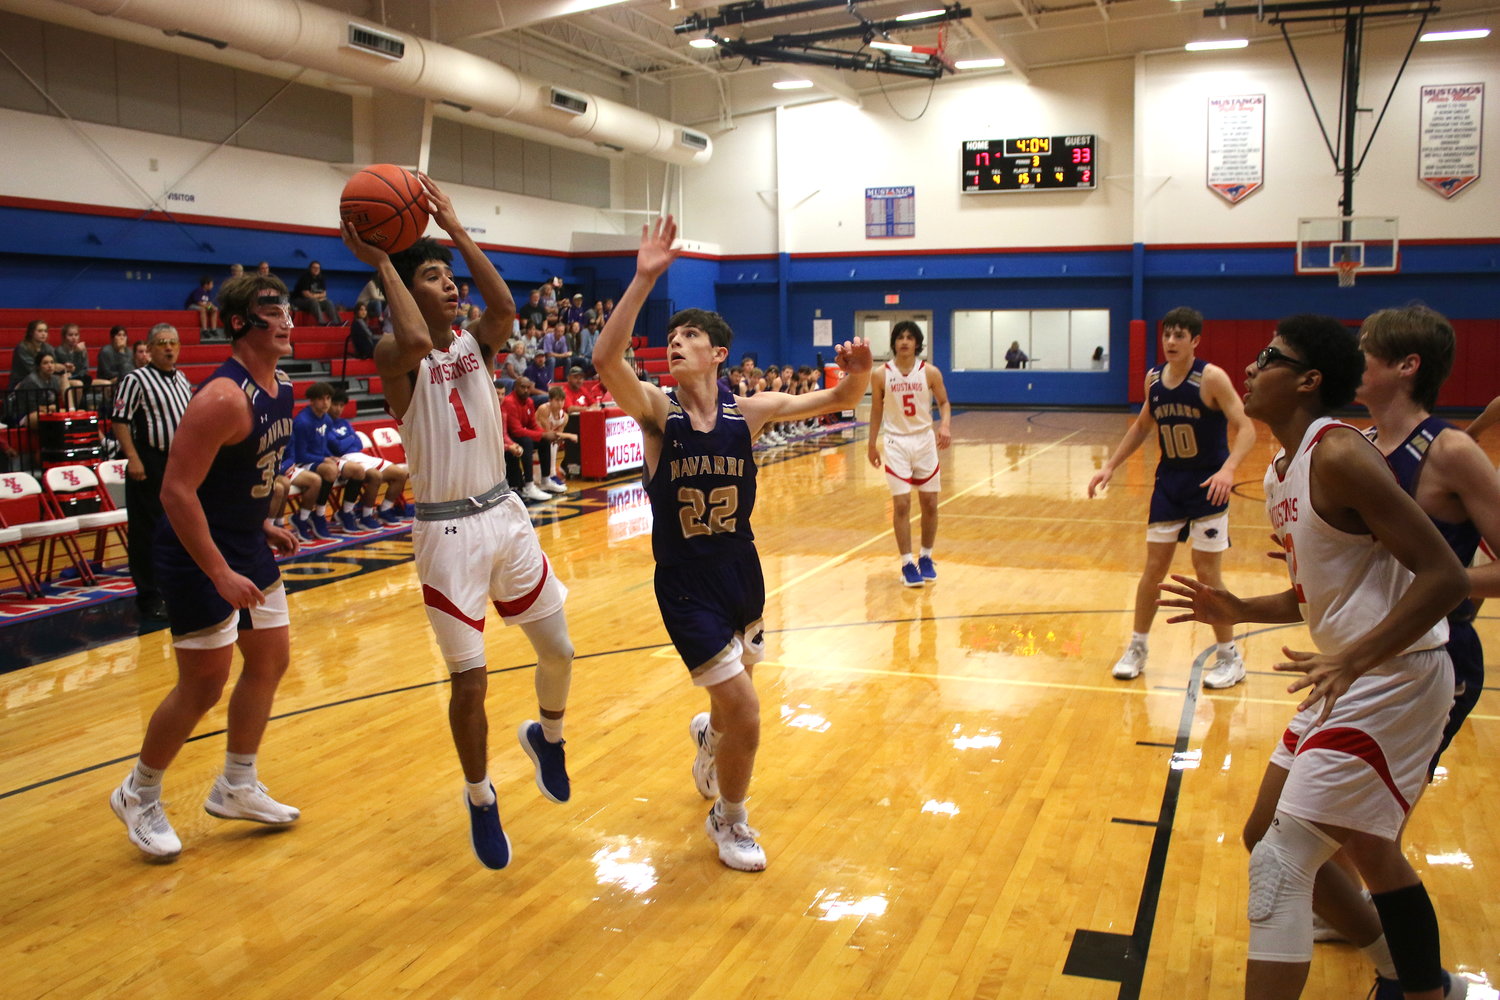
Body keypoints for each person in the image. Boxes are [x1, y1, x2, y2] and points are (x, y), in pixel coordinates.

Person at [1158, 314, 1469, 1000]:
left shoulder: (1339, 453)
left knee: (1281, 861)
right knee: (1268, 834)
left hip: (1396, 675)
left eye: (1269, 357)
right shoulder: (1280, 471)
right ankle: (1414, 977)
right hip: (1355, 672)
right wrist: (1238, 608)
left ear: (1307, 380)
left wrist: (1354, 659)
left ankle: (1418, 982)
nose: (1249, 366)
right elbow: (1321, 597)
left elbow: (1444, 575)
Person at [593, 215, 872, 872]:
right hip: (685, 582)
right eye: (672, 337)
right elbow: (607, 360)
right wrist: (642, 280)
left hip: (742, 573)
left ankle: (708, 737)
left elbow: (840, 397)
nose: (676, 344)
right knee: (746, 709)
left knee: (730, 707)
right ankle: (731, 817)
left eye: (690, 336)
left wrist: (858, 374)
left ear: (719, 354)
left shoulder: (752, 412)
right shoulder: (658, 415)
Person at [339, 172, 576, 871]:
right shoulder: (394, 356)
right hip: (445, 534)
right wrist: (386, 258)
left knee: (559, 651)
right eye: (437, 278)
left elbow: (504, 305)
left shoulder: (476, 343)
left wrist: (456, 228)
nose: (452, 288)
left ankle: (549, 738)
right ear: (409, 293)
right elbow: (412, 340)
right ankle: (480, 795)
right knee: (470, 682)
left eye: (450, 278)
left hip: (505, 515)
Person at [108, 274, 303, 860]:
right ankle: (137, 793)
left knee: (271, 659)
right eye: (275, 311)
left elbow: (240, 476)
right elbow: (176, 492)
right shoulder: (222, 397)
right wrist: (219, 571)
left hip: (244, 541)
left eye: (290, 308)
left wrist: (259, 523)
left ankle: (237, 785)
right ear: (241, 324)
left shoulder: (283, 387)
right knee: (203, 686)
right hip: (197, 556)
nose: (289, 320)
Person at [1087, 306, 1256, 688]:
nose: (1171, 342)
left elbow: (1246, 428)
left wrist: (1228, 470)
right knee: (1153, 571)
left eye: (1180, 335)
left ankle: (1230, 658)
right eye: (1167, 335)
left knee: (1207, 572)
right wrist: (1110, 465)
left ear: (1196, 341)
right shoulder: (1153, 380)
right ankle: (1137, 648)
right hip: (1169, 483)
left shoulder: (1211, 378)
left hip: (1207, 484)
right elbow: (1143, 425)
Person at [111, 323, 193, 621]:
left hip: (180, 463)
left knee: (181, 527)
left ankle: (177, 587)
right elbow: (120, 420)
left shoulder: (182, 379)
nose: (168, 347)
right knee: (148, 531)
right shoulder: (136, 379)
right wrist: (132, 457)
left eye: (173, 342)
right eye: (161, 343)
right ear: (149, 348)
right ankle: (148, 596)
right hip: (149, 462)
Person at [867, 321, 952, 587]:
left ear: (917, 343)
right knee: (902, 504)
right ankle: (906, 563)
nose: (904, 341)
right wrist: (871, 443)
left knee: (929, 503)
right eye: (900, 337)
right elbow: (876, 411)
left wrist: (945, 425)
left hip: (924, 441)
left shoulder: (930, 372)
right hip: (896, 443)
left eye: (909, 337)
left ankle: (926, 556)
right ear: (894, 342)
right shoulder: (881, 374)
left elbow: (944, 402)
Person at [326, 386, 410, 525]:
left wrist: (348, 440)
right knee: (375, 476)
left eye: (341, 405)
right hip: (345, 460)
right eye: (335, 405)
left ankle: (385, 510)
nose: (338, 409)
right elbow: (338, 447)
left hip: (359, 455)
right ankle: (366, 515)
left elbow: (358, 443)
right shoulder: (324, 424)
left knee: (400, 474)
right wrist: (351, 438)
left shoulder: (344, 422)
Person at [503, 376, 565, 501]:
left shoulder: (529, 401)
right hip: (509, 438)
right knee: (527, 442)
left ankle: (545, 480)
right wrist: (543, 434)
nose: (526, 390)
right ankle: (529, 486)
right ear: (515, 387)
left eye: (528, 387)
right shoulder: (509, 402)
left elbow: (533, 425)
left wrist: (546, 434)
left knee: (544, 441)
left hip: (522, 435)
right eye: (523, 387)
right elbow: (516, 430)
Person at [51, 323, 91, 407]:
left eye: (76, 335)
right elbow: (69, 368)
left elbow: (84, 368)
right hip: (64, 379)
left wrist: (80, 352)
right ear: (64, 337)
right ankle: (74, 411)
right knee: (78, 384)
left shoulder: (82, 350)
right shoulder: (59, 351)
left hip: (80, 377)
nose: (74, 338)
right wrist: (76, 353)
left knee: (105, 383)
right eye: (70, 335)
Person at [291, 260, 340, 326]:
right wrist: (319, 296)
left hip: (314, 300)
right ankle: (322, 322)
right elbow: (306, 294)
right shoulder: (305, 278)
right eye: (314, 268)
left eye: (318, 268)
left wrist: (315, 296)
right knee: (313, 301)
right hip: (300, 300)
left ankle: (337, 323)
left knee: (328, 302)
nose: (316, 269)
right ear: (310, 268)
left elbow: (324, 294)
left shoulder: (321, 278)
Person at [9, 320, 50, 388]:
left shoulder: (48, 347)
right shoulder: (22, 347)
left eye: (45, 331)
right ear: (31, 333)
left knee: (66, 379)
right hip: (23, 382)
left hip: (42, 378)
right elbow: (32, 369)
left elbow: (54, 364)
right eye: (40, 331)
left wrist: (64, 367)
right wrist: (54, 367)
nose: (43, 334)